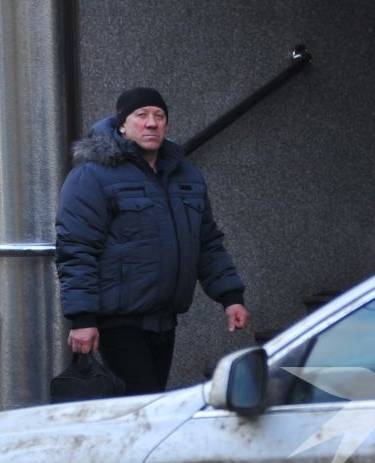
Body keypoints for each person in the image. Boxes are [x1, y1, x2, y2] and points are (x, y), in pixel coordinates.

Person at [55, 86, 249, 395]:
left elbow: (207, 242)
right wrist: (82, 318)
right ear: (121, 125)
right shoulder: (93, 176)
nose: (151, 123)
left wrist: (230, 297)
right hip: (118, 322)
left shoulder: (186, 176)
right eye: (141, 115)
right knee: (142, 404)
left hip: (164, 320)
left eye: (159, 116)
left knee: (149, 404)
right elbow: (76, 250)